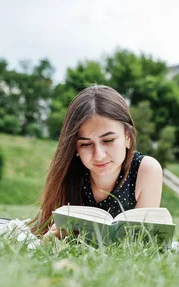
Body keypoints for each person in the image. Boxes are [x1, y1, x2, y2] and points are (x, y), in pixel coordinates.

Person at [30, 85, 163, 239]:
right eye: (85, 144)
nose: (99, 155)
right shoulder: (69, 170)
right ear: (75, 148)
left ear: (127, 137)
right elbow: (48, 231)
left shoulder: (146, 170)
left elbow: (143, 241)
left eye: (108, 140)